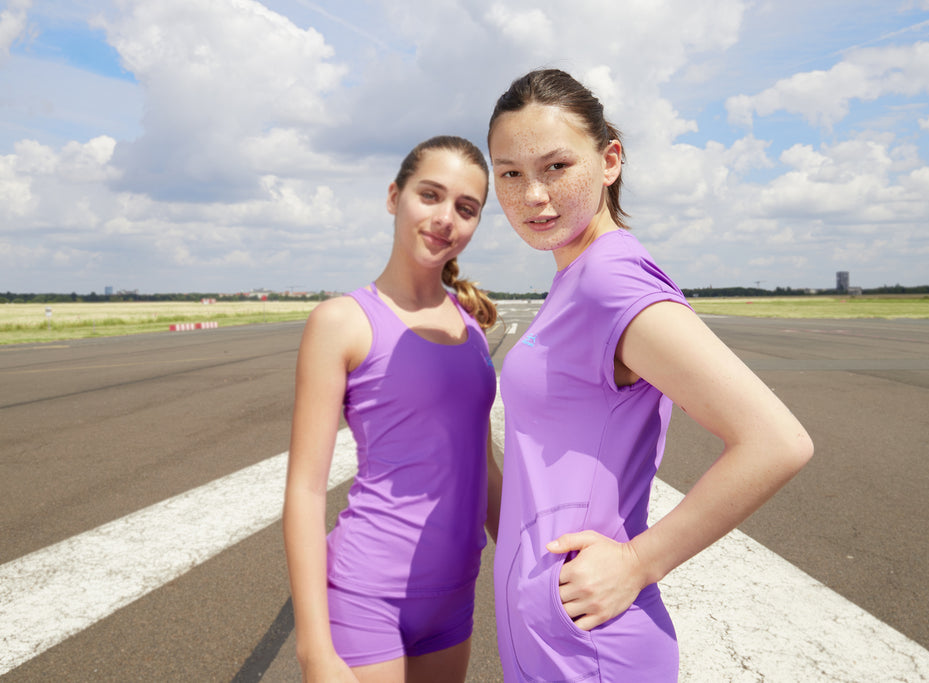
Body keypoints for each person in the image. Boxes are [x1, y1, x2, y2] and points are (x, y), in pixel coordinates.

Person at [486, 69, 814, 681]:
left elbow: (777, 441)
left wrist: (639, 561)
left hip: (592, 647)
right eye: (510, 172)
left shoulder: (612, 283)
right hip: (550, 633)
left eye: (556, 166)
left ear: (610, 160)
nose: (533, 195)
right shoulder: (574, 280)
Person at [282, 135, 503, 683]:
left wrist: (537, 570)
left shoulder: (470, 327)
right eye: (430, 195)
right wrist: (314, 650)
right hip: (367, 596)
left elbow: (484, 468)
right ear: (393, 196)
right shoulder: (341, 322)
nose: (445, 218)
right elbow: (305, 490)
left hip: (454, 597)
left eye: (465, 207)